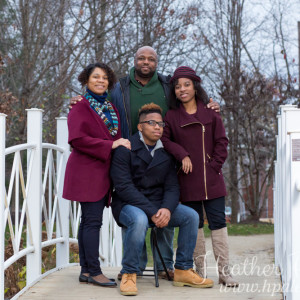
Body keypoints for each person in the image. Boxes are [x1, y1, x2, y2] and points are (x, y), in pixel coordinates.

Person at [69, 46, 220, 279]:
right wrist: (79, 99)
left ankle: (169, 266)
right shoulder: (119, 87)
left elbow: (187, 97)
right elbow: (93, 106)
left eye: (151, 59)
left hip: (161, 152)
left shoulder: (168, 84)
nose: (146, 62)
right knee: (133, 216)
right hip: (128, 153)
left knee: (173, 212)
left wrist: (209, 104)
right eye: (141, 58)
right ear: (134, 61)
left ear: (156, 62)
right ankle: (133, 270)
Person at [110, 103, 214, 296]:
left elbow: (173, 187)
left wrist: (166, 208)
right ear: (140, 127)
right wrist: (152, 211)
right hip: (128, 204)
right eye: (152, 123)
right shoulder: (125, 149)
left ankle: (183, 269)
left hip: (159, 205)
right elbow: (124, 188)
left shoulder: (166, 152)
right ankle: (129, 272)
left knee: (190, 216)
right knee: (139, 219)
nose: (158, 127)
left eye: (160, 123)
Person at [161, 66, 239, 287]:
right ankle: (199, 272)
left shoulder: (211, 112)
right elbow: (166, 141)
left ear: (195, 87)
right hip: (187, 178)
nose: (182, 89)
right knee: (194, 226)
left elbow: (222, 142)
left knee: (218, 225)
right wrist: (182, 154)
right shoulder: (172, 116)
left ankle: (225, 273)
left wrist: (214, 166)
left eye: (186, 85)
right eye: (177, 86)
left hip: (213, 179)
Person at [63, 62, 131, 287]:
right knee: (93, 222)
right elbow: (77, 139)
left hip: (103, 173)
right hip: (86, 171)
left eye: (104, 78)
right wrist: (110, 146)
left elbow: (117, 137)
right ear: (86, 80)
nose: (101, 81)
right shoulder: (80, 106)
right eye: (96, 77)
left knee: (88, 223)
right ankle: (94, 271)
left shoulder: (110, 108)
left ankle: (85, 270)